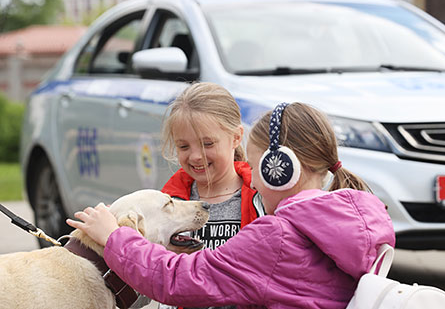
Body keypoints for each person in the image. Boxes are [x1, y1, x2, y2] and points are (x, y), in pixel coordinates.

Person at [67, 102, 396, 309]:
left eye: (254, 166)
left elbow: (179, 279)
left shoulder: (277, 236)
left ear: (278, 169)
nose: (250, 176)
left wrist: (114, 236)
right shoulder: (353, 221)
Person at [148, 82, 265, 309]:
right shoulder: (168, 203)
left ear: (236, 137)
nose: (195, 156)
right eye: (183, 147)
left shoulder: (263, 198)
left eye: (207, 143)